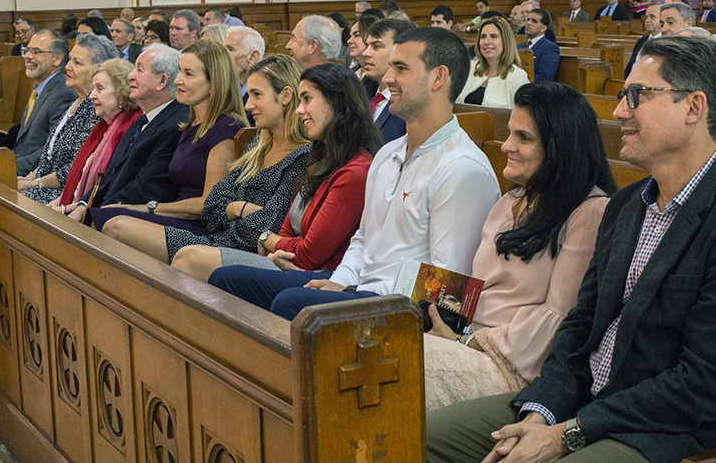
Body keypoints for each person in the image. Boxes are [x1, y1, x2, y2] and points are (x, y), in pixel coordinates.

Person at [426, 36, 716, 463]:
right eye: (621, 95)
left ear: (693, 107)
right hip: (580, 402)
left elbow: (706, 383)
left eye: (638, 95)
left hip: (665, 429)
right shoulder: (627, 206)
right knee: (423, 435)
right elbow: (579, 329)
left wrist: (570, 433)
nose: (618, 112)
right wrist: (542, 412)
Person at [252, 27, 501, 322]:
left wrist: (352, 291)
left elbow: (448, 284)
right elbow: (363, 238)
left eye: (401, 68)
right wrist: (340, 282)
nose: (387, 78)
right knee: (231, 282)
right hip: (360, 287)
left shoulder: (462, 167)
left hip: (402, 306)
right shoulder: (387, 153)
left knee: (292, 304)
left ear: (438, 77)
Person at [423, 82, 616, 411]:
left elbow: (560, 319)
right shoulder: (512, 198)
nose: (506, 145)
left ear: (559, 146)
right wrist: (420, 290)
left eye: (523, 137)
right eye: (510, 133)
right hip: (460, 336)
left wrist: (463, 340)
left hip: (511, 366)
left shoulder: (590, 211)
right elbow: (480, 289)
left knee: (389, 363)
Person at [177, 63, 381, 283]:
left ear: (336, 102)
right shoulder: (323, 158)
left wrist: (266, 238)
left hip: (317, 275)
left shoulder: (353, 170)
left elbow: (308, 253)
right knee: (184, 255)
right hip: (277, 257)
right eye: (300, 100)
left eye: (307, 100)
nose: (298, 110)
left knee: (190, 260)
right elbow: (284, 226)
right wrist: (271, 242)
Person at [100, 55, 309, 266]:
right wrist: (239, 208)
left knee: (177, 255)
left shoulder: (302, 156)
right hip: (214, 239)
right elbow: (210, 208)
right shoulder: (258, 145)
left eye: (257, 95)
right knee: (114, 226)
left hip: (240, 251)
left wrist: (229, 211)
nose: (248, 105)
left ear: (285, 96)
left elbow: (269, 224)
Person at [96, 40, 247, 240]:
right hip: (176, 218)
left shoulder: (226, 128)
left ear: (214, 83)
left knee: (115, 225)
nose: (177, 80)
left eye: (188, 74)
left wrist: (146, 208)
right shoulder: (191, 125)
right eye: (179, 71)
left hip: (201, 228)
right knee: (104, 216)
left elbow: (210, 203)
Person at [66, 44, 190, 220]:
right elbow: (112, 173)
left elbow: (145, 188)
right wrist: (83, 205)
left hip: (131, 218)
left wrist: (94, 215)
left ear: (162, 82)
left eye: (139, 70)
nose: (130, 76)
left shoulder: (175, 125)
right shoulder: (143, 119)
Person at [18, 34, 118, 204]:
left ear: (98, 70)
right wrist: (27, 178)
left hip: (60, 196)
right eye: (70, 60)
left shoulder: (96, 110)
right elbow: (48, 156)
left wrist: (30, 184)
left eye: (77, 63)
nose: (68, 66)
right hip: (42, 187)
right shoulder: (75, 102)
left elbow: (73, 169)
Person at [51, 59, 141, 212]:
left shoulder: (130, 129)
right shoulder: (102, 126)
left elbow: (107, 186)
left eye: (99, 88)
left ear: (121, 93)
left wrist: (66, 209)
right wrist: (60, 201)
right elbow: (78, 180)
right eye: (93, 88)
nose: (92, 95)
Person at [13, 29, 78, 176]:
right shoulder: (40, 88)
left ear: (57, 58)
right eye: (27, 50)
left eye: (36, 51)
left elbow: (52, 151)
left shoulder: (64, 94)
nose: (28, 56)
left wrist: (9, 167)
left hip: (35, 176)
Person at [456, 16, 528, 108]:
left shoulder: (518, 76)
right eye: (483, 36)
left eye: (493, 36)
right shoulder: (468, 68)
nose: (487, 41)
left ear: (505, 41)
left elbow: (522, 117)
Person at [361, 18, 413, 143]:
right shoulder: (368, 99)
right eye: (367, 46)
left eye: (376, 46)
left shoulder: (409, 108)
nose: (365, 53)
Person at [223, 26, 265, 110]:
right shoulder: (223, 89)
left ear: (252, 57)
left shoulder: (262, 96)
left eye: (230, 49)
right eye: (223, 49)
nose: (222, 55)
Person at [518, 8, 560, 82]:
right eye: (528, 19)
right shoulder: (519, 47)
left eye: (534, 21)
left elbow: (545, 77)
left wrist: (521, 81)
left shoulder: (549, 48)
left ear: (543, 28)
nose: (528, 23)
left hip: (535, 90)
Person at [625, 4, 662, 78]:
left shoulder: (666, 42)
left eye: (652, 17)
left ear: (662, 20)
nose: (647, 20)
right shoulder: (641, 41)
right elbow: (630, 68)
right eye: (646, 17)